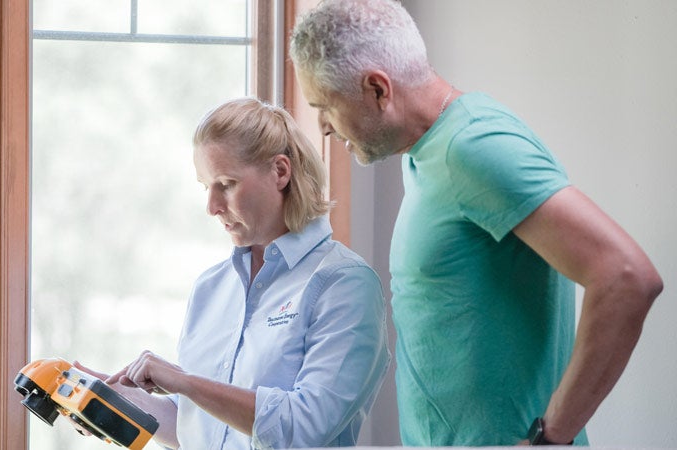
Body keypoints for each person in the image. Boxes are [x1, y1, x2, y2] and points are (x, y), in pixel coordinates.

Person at [289, 0, 663, 446]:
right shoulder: (428, 150)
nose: (322, 127)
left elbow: (626, 277)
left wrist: (551, 439)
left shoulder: (473, 148)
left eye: (324, 107)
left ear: (377, 89)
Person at [75, 97, 390, 450]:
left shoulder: (344, 283)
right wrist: (111, 398)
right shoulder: (212, 287)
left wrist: (186, 382)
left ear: (281, 172)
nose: (211, 207)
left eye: (226, 184)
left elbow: (304, 428)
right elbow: (193, 426)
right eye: (205, 186)